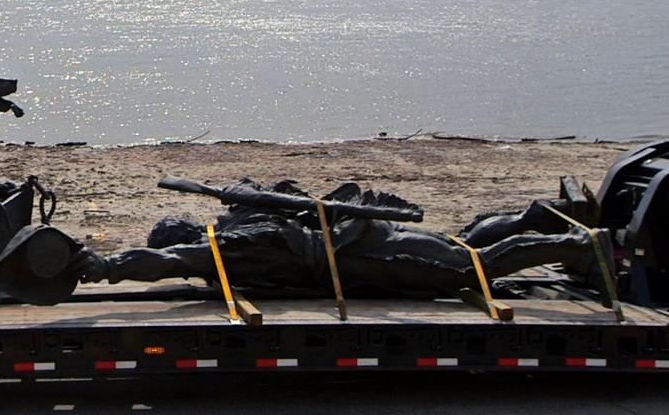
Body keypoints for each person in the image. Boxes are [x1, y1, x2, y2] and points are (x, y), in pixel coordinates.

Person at [73, 179, 614, 300]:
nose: (192, 263)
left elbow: (162, 261)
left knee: (473, 267)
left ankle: (575, 245)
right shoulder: (240, 216)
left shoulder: (224, 249)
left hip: (362, 257)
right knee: (462, 241)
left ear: (194, 240)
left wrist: (106, 266)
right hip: (362, 234)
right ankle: (537, 217)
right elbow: (278, 191)